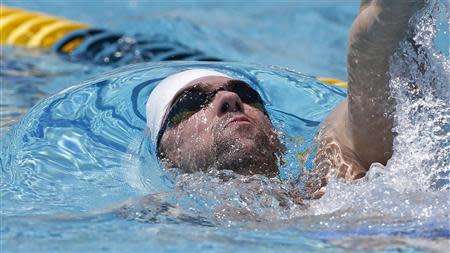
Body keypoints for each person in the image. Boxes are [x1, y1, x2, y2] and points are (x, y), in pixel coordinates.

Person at [145, 0, 426, 198]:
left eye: (248, 95)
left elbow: (376, 47)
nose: (230, 98)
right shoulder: (159, 223)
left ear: (276, 134)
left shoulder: (337, 177)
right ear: (167, 157)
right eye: (191, 103)